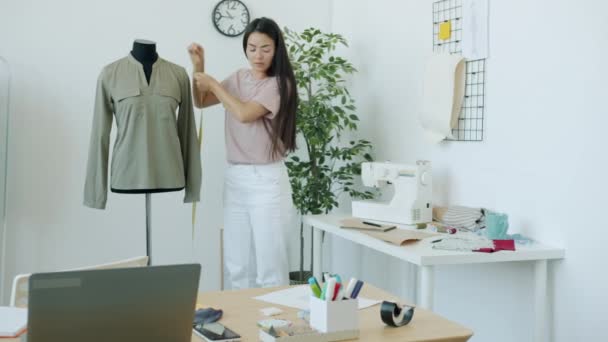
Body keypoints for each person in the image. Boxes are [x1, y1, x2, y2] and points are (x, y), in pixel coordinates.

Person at [188, 17, 298, 289]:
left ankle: (274, 325)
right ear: (245, 48)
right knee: (236, 264)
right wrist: (199, 67)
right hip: (236, 177)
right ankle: (241, 326)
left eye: (265, 48)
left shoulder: (280, 84)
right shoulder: (238, 78)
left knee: (269, 266)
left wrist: (213, 84)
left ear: (276, 49)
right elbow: (200, 102)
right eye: (252, 48)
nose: (257, 55)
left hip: (267, 180)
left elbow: (244, 113)